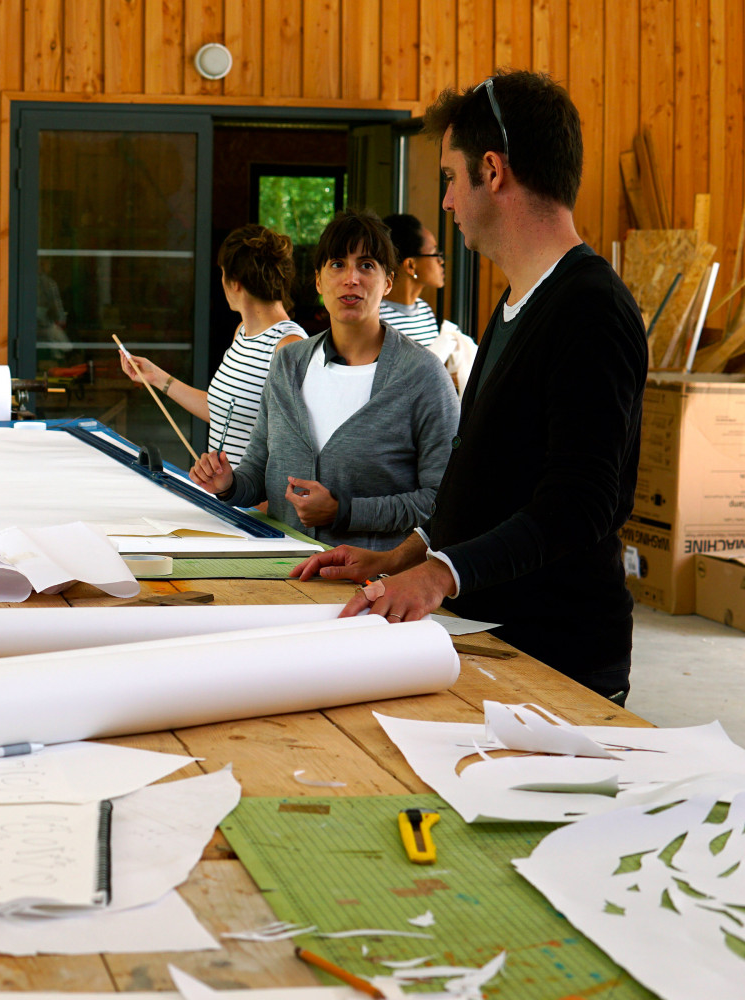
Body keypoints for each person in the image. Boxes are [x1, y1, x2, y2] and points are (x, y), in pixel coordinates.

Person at [292, 71, 647, 702]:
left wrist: (438, 576)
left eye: (452, 178)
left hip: (559, 660)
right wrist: (397, 558)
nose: (448, 201)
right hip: (490, 639)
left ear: (493, 169)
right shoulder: (516, 301)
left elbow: (581, 501)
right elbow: (484, 479)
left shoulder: (591, 306)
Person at [189, 210, 459, 550]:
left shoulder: (423, 375)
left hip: (374, 589)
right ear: (318, 281)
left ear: (387, 281)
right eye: (336, 264)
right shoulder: (288, 363)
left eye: (366, 265)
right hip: (285, 577)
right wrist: (227, 483)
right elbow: (257, 474)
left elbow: (442, 503)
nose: (351, 278)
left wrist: (343, 512)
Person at [120, 224, 307, 465]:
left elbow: (295, 448)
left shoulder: (289, 345)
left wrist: (257, 504)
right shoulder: (242, 332)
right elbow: (220, 410)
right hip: (224, 497)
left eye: (222, 273)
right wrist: (155, 377)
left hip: (251, 501)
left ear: (235, 282)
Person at [379, 213, 445, 347]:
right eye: (434, 253)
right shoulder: (376, 317)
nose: (441, 261)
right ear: (410, 265)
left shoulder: (425, 311)